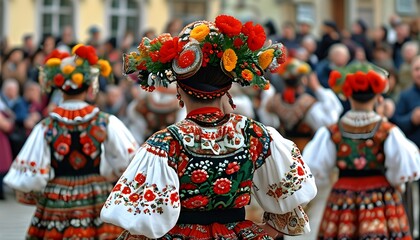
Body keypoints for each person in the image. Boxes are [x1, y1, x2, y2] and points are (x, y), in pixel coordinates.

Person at [101, 15, 317, 239]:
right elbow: (290, 204)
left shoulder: (164, 143)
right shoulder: (256, 134)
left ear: (180, 91)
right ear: (227, 88)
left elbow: (140, 223)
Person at [3, 45, 138, 239]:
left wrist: (37, 190)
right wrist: (111, 177)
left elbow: (31, 173)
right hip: (96, 192)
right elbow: (125, 159)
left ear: (59, 87)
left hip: (58, 193)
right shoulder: (105, 121)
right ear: (90, 87)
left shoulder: (46, 125)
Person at [304, 62, 420, 239]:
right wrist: (397, 184)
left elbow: (317, 169)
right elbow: (401, 168)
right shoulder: (388, 131)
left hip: (343, 198)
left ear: (348, 95)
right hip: (380, 199)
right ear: (377, 96)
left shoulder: (331, 132)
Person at [267, 58, 343, 150]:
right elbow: (331, 120)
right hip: (305, 151)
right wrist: (317, 88)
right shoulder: (308, 103)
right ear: (304, 80)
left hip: (284, 149)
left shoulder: (274, 100)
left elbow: (268, 122)